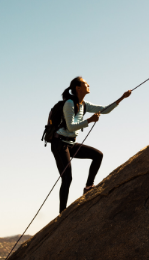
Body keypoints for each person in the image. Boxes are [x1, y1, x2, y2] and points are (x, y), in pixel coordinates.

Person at [52, 76, 131, 213]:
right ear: (78, 88)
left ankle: (88, 187)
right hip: (60, 144)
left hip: (70, 143)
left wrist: (122, 98)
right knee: (67, 178)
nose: (88, 85)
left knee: (97, 155)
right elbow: (70, 127)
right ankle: (62, 213)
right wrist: (89, 121)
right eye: (85, 83)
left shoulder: (83, 104)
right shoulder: (69, 103)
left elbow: (105, 109)